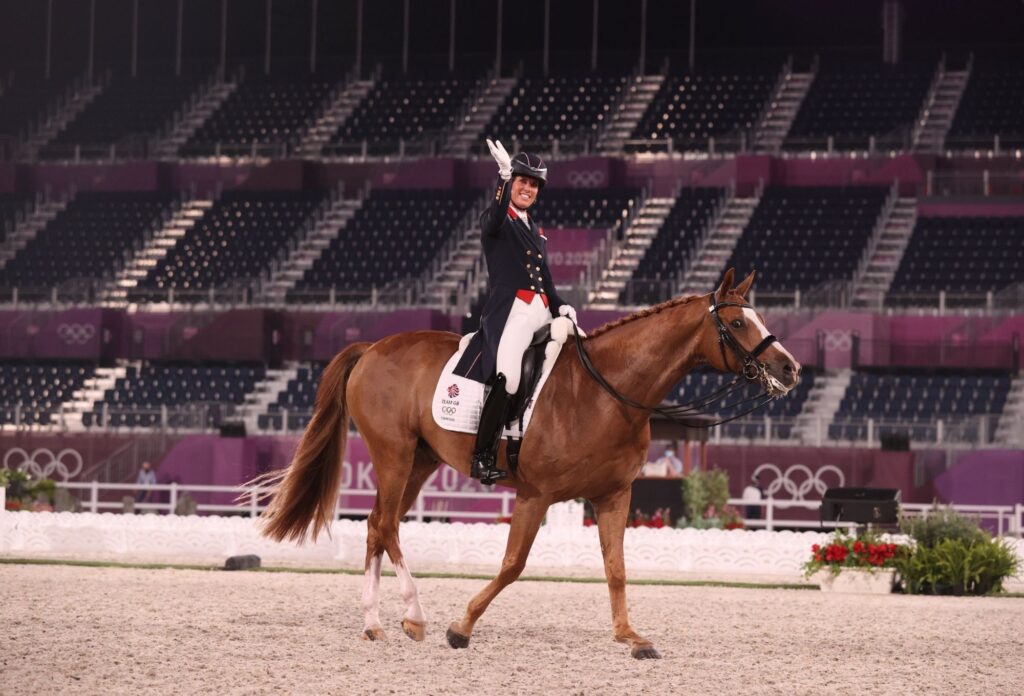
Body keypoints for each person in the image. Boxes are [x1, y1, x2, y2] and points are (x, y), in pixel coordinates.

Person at [454, 139, 578, 485]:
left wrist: (562, 306)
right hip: (512, 312)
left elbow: (547, 283)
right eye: (522, 181)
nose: (527, 188)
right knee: (507, 376)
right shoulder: (496, 220)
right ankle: (482, 455)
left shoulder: (537, 232)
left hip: (540, 311)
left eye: (533, 184)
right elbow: (494, 218)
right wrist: (503, 178)